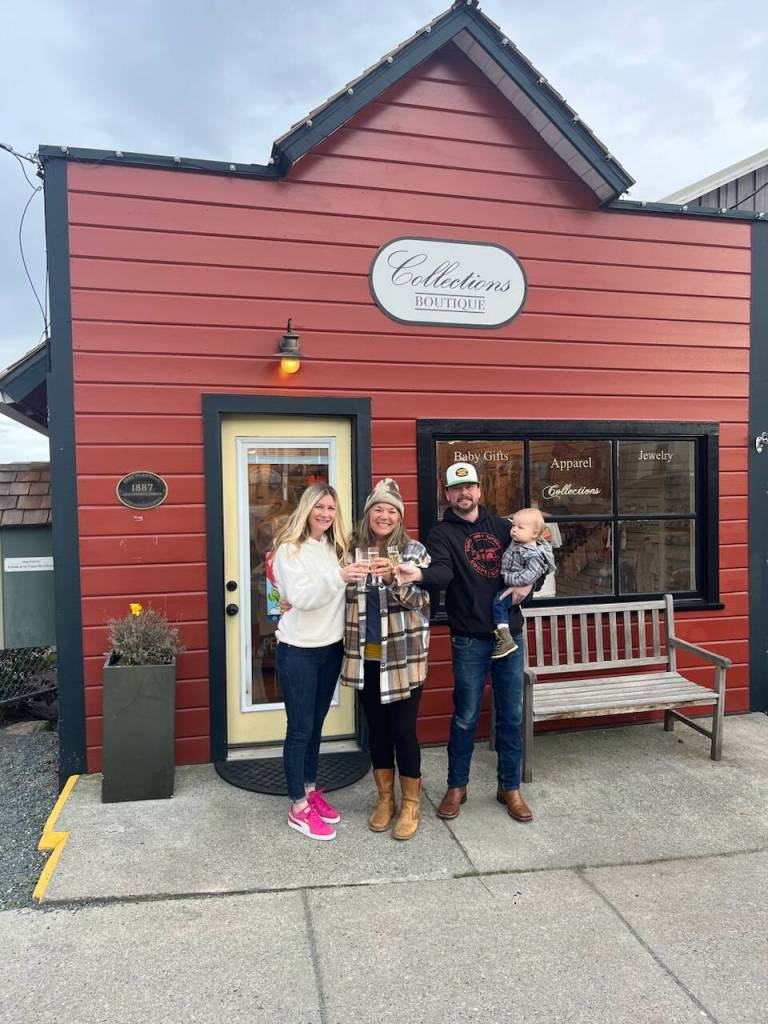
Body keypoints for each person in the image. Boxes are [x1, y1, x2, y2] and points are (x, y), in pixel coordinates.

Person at [398, 461, 534, 824]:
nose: (464, 494)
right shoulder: (441, 533)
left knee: (511, 716)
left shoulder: (505, 528)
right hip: (469, 640)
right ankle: (457, 786)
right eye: (456, 489)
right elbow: (443, 572)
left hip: (511, 635)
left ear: (479, 491)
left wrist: (529, 585)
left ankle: (510, 788)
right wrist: (421, 575)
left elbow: (534, 557)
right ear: (447, 494)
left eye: (469, 487)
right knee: (465, 716)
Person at [271, 483, 368, 841]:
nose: (326, 514)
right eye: (320, 507)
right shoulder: (289, 550)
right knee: (299, 729)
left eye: (331, 508)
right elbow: (301, 597)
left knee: (315, 726)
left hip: (330, 648)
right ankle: (297, 806)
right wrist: (339, 576)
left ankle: (310, 791)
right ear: (307, 509)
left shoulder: (333, 548)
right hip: (298, 651)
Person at [340, 479, 431, 840]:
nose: (385, 515)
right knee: (376, 730)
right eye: (379, 508)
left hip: (404, 657)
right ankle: (385, 799)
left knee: (404, 731)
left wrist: (397, 579)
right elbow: (332, 591)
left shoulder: (413, 551)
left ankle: (411, 804)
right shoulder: (349, 549)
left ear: (400, 518)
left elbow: (424, 603)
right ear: (368, 513)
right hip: (366, 656)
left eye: (392, 510)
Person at [491, 507, 555, 660]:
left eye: (520, 527)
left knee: (498, 603)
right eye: (513, 525)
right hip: (515, 585)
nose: (514, 530)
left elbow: (531, 575)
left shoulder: (533, 552)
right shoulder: (519, 543)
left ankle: (504, 637)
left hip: (517, 587)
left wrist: (509, 579)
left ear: (534, 533)